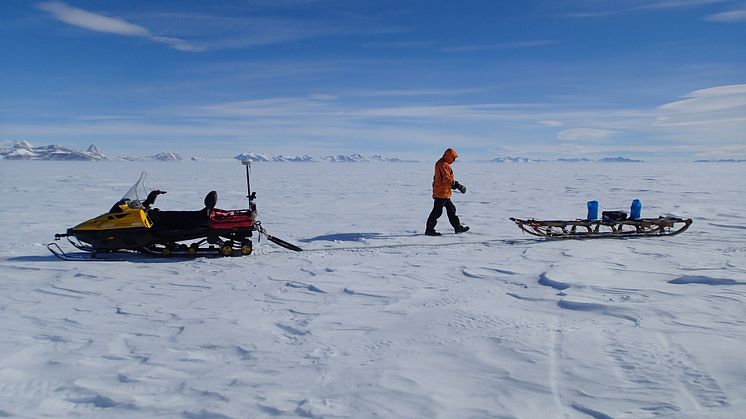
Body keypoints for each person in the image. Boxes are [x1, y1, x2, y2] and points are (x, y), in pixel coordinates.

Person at [425, 148, 469, 236]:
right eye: (454, 158)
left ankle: (457, 227)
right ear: (449, 157)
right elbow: (446, 178)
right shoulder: (442, 164)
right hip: (441, 193)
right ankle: (429, 230)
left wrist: (453, 185)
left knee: (451, 210)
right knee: (437, 212)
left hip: (444, 192)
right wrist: (457, 185)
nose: (454, 160)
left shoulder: (443, 164)